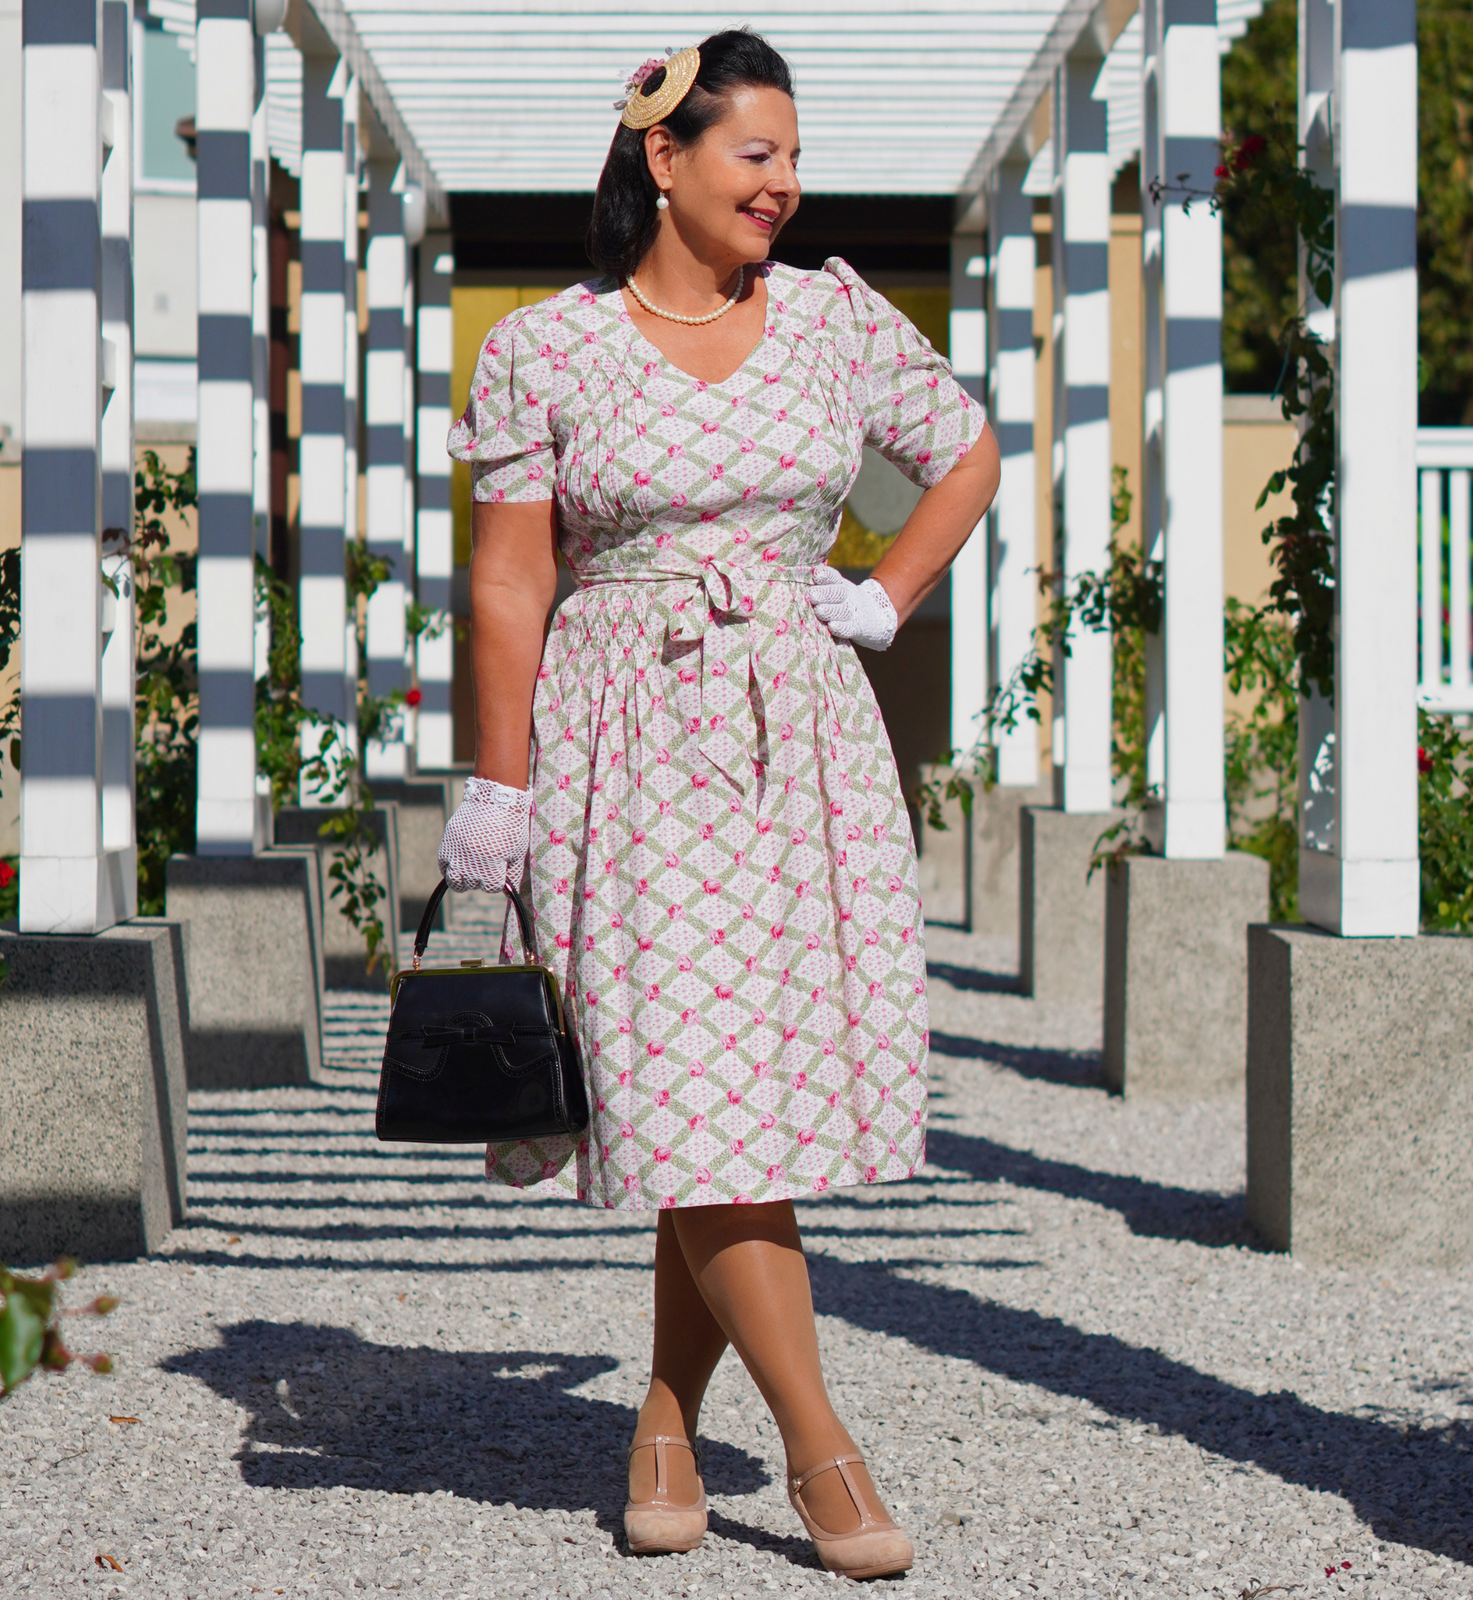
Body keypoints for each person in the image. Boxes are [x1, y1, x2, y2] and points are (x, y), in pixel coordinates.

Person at [440, 28, 999, 1581]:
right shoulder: (543, 348)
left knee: (733, 1101)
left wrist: (880, 597)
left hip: (798, 735)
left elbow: (965, 456)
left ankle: (668, 1424)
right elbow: (507, 578)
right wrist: (500, 792)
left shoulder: (832, 318)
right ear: (664, 160)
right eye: (757, 154)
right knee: (680, 1072)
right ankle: (822, 1450)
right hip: (621, 731)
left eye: (795, 156)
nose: (787, 184)